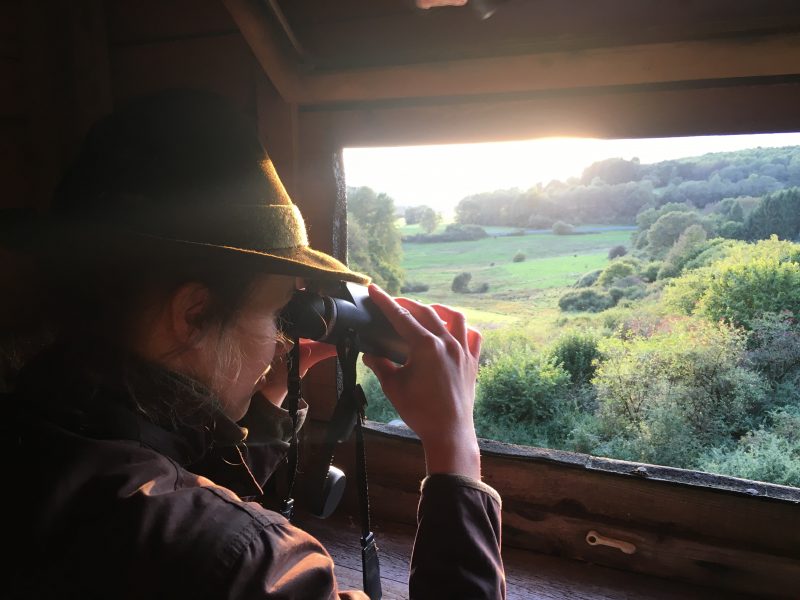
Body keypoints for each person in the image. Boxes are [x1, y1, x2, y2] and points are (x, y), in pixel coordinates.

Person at [3, 91, 505, 599]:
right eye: (274, 311)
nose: (281, 338)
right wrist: (455, 449)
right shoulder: (245, 563)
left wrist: (272, 393)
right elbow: (208, 539)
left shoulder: (41, 431)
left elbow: (172, 498)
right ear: (193, 314)